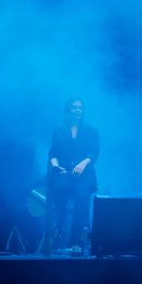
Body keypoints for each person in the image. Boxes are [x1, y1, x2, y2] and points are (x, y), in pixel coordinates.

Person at [48, 98, 99, 254]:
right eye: (74, 107)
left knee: (81, 195)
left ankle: (76, 240)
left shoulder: (91, 131)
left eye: (80, 108)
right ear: (68, 111)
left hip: (84, 175)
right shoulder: (58, 131)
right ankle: (58, 232)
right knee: (58, 190)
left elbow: (94, 153)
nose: (78, 110)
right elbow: (53, 154)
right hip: (65, 173)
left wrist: (83, 164)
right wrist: (55, 166)